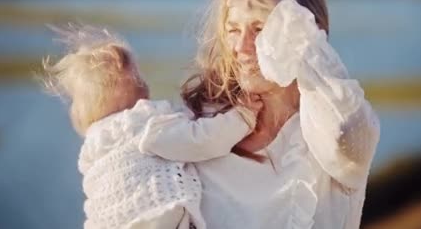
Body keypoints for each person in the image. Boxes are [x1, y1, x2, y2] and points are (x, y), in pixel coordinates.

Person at [173, 0, 381, 228]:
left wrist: (283, 10)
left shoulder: (331, 129)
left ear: (306, 31)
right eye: (233, 30)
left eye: (260, 28)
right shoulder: (200, 123)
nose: (241, 47)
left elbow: (347, 129)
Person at [40, 25, 260, 229]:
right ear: (123, 81)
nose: (145, 83)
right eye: (137, 76)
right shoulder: (143, 126)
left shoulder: (96, 149)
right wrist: (243, 116)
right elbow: (202, 140)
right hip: (156, 219)